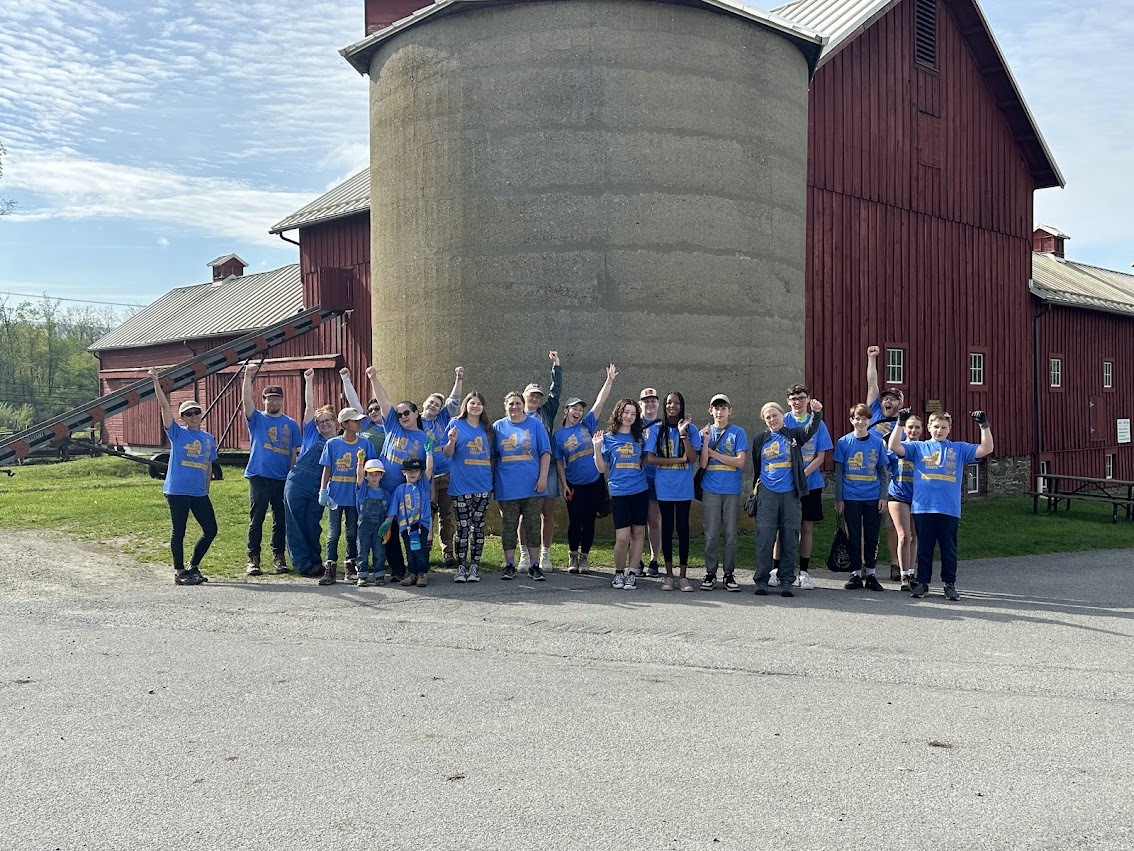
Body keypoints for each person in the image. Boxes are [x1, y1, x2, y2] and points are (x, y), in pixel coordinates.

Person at [889, 410, 994, 600]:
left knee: (948, 549)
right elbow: (895, 446)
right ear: (928, 428)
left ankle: (949, 584)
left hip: (949, 508)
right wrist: (900, 422)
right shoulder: (918, 448)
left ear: (949, 429)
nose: (939, 430)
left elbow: (986, 448)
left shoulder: (958, 449)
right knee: (924, 549)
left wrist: (984, 425)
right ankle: (922, 583)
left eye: (943, 427)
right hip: (923, 507)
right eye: (936, 427)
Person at [148, 368, 218, 586]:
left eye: (196, 412)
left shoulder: (208, 438)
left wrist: (206, 489)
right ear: (183, 418)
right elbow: (164, 406)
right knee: (179, 531)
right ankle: (179, 571)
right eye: (189, 414)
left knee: (211, 530)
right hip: (177, 490)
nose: (194, 416)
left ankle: (193, 565)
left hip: (198, 492)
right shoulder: (177, 433)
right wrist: (156, 381)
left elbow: (208, 465)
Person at [363, 365, 430, 583]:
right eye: (400, 413)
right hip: (384, 489)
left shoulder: (423, 438)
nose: (402, 416)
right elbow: (383, 402)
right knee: (389, 532)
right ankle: (398, 569)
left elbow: (427, 470)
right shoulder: (392, 426)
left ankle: (417, 569)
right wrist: (373, 378)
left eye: (407, 413)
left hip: (407, 494)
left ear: (416, 413)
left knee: (410, 533)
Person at [750, 399, 824, 597]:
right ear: (764, 421)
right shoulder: (760, 440)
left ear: (782, 416)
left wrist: (816, 414)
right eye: (768, 417)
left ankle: (786, 581)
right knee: (765, 537)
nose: (772, 419)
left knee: (790, 537)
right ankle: (762, 580)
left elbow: (810, 430)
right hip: (767, 492)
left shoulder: (793, 434)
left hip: (791, 492)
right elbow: (756, 467)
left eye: (775, 415)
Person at [553, 364, 618, 574]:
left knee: (589, 522)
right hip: (574, 486)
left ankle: (585, 557)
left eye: (581, 409)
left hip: (594, 483)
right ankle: (572, 556)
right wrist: (564, 485)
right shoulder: (558, 436)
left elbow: (600, 402)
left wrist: (609, 381)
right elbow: (560, 462)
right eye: (574, 408)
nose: (578, 412)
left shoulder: (587, 425)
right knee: (575, 523)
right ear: (566, 411)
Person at [240, 364, 300, 576]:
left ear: (282, 400)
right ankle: (253, 559)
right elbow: (246, 401)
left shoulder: (291, 424)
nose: (273, 402)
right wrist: (248, 376)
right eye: (269, 398)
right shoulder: (256, 418)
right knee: (256, 519)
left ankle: (279, 557)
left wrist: (292, 476)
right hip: (259, 476)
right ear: (264, 400)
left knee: (280, 520)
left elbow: (293, 452)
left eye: (277, 398)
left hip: (282, 478)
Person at [772, 383, 833, 591]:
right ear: (788, 401)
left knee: (806, 527)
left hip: (810, 483)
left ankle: (804, 572)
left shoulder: (818, 423)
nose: (797, 402)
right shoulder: (783, 421)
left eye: (801, 398)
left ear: (808, 399)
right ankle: (776, 569)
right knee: (782, 527)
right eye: (793, 399)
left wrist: (803, 474)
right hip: (786, 483)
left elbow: (821, 456)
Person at [284, 368, 341, 578]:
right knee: (296, 521)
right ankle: (303, 564)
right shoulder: (309, 434)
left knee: (312, 523)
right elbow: (309, 406)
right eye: (320, 421)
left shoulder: (337, 444)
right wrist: (309, 380)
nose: (324, 423)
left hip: (320, 486)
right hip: (298, 482)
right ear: (315, 426)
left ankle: (315, 561)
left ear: (336, 423)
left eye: (328, 420)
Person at [644, 392, 702, 591]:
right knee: (666, 528)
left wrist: (683, 434)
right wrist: (677, 460)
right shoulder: (657, 429)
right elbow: (650, 458)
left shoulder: (691, 429)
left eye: (676, 403)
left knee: (683, 529)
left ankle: (683, 576)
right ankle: (668, 575)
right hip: (665, 486)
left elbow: (693, 458)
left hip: (684, 486)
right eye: (669, 403)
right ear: (665, 406)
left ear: (682, 406)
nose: (672, 406)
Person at [494, 392, 552, 580]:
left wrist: (543, 478)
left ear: (523, 404)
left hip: (532, 487)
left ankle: (534, 565)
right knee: (509, 526)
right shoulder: (498, 427)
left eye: (518, 403)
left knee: (533, 525)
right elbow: (493, 457)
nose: (515, 407)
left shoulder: (536, 425)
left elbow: (545, 453)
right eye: (511, 403)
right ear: (505, 406)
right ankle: (509, 564)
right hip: (507, 486)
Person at [592, 398, 648, 590]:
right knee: (623, 537)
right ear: (618, 413)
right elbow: (601, 468)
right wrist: (596, 447)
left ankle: (632, 572)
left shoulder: (640, 438)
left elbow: (644, 460)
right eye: (626, 412)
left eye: (633, 413)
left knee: (638, 533)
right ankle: (618, 573)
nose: (629, 417)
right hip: (619, 492)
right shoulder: (607, 438)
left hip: (640, 491)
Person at [834, 404, 891, 592]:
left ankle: (872, 573)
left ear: (869, 421)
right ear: (851, 420)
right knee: (854, 535)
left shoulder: (877, 442)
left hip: (873, 496)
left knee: (872, 535)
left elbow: (883, 472)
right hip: (851, 496)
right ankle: (856, 572)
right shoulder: (843, 442)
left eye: (864, 419)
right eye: (857, 418)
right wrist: (839, 499)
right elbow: (839, 472)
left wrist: (884, 497)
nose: (861, 422)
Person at [317, 407, 378, 585]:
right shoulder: (333, 444)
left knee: (352, 532)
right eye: (355, 421)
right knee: (333, 533)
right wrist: (323, 490)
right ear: (344, 424)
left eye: (359, 420)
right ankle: (330, 567)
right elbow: (327, 468)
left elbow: (370, 467)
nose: (359, 423)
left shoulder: (365, 444)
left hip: (355, 495)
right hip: (336, 494)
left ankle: (350, 565)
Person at [698, 394, 749, 592]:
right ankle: (710, 572)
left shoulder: (738, 432)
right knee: (710, 534)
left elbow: (740, 462)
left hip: (731, 490)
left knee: (730, 534)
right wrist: (705, 445)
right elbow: (703, 463)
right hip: (710, 489)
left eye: (723, 408)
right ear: (710, 411)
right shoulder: (705, 433)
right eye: (716, 408)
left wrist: (714, 454)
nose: (720, 412)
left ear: (730, 410)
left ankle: (729, 573)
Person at [518, 351, 562, 573]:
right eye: (531, 395)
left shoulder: (546, 412)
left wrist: (557, 367)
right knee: (525, 512)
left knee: (547, 511)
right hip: (524, 468)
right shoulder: (517, 414)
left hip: (549, 467)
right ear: (524, 396)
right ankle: (524, 554)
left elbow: (556, 393)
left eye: (538, 396)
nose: (535, 399)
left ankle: (545, 555)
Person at [443, 391, 494, 583]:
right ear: (466, 405)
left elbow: (493, 457)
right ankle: (461, 566)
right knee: (463, 528)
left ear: (483, 407)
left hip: (483, 485)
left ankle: (475, 567)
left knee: (478, 528)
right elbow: (447, 453)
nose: (475, 406)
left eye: (479, 403)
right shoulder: (456, 424)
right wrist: (452, 441)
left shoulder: (488, 429)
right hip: (461, 486)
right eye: (472, 402)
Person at [866, 346, 904, 579]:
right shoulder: (875, 414)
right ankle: (863, 564)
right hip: (868, 475)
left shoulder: (904, 423)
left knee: (891, 525)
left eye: (893, 399)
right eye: (885, 398)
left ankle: (895, 564)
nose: (887, 401)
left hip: (892, 478)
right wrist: (871, 359)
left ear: (900, 404)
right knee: (867, 526)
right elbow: (872, 385)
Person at [421, 367, 464, 566]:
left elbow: (454, 401)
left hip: (446, 474)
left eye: (437, 405)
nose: (434, 406)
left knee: (447, 515)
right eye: (431, 403)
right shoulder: (416, 421)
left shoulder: (443, 419)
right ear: (424, 404)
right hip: (425, 476)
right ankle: (425, 551)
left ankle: (448, 552)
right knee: (426, 514)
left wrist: (458, 378)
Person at [387, 454, 434, 587]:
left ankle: (421, 573)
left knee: (420, 549)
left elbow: (430, 469)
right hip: (405, 526)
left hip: (421, 525)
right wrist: (388, 522)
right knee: (410, 550)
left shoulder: (423, 485)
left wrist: (429, 452)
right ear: (404, 472)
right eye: (409, 471)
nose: (413, 473)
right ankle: (411, 573)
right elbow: (393, 508)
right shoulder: (399, 490)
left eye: (416, 471)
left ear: (420, 473)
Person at [887, 414, 923, 590]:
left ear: (922, 430)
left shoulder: (925, 448)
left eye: (917, 427)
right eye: (910, 427)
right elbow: (888, 457)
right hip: (899, 495)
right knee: (904, 535)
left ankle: (911, 572)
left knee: (915, 536)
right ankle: (903, 575)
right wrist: (900, 423)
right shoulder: (898, 446)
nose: (913, 430)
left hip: (919, 496)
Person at [637, 388, 663, 577]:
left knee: (654, 520)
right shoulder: (633, 424)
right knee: (636, 521)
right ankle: (636, 559)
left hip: (656, 477)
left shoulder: (664, 426)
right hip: (636, 478)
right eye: (646, 401)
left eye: (653, 401)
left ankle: (655, 560)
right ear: (640, 404)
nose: (650, 404)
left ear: (658, 404)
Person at [340, 367, 387, 463]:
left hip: (378, 469)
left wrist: (373, 378)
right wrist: (345, 379)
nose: (373, 412)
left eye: (377, 408)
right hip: (359, 464)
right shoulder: (366, 424)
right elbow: (354, 403)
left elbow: (384, 400)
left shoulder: (392, 426)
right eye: (370, 411)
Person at [355, 458, 388, 587]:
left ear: (382, 475)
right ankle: (362, 575)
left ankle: (379, 575)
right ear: (366, 476)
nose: (374, 477)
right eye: (370, 474)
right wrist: (360, 461)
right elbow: (359, 476)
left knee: (379, 551)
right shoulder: (363, 490)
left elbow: (390, 512)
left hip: (379, 527)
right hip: (364, 526)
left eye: (377, 474)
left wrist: (388, 523)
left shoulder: (386, 494)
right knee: (362, 551)